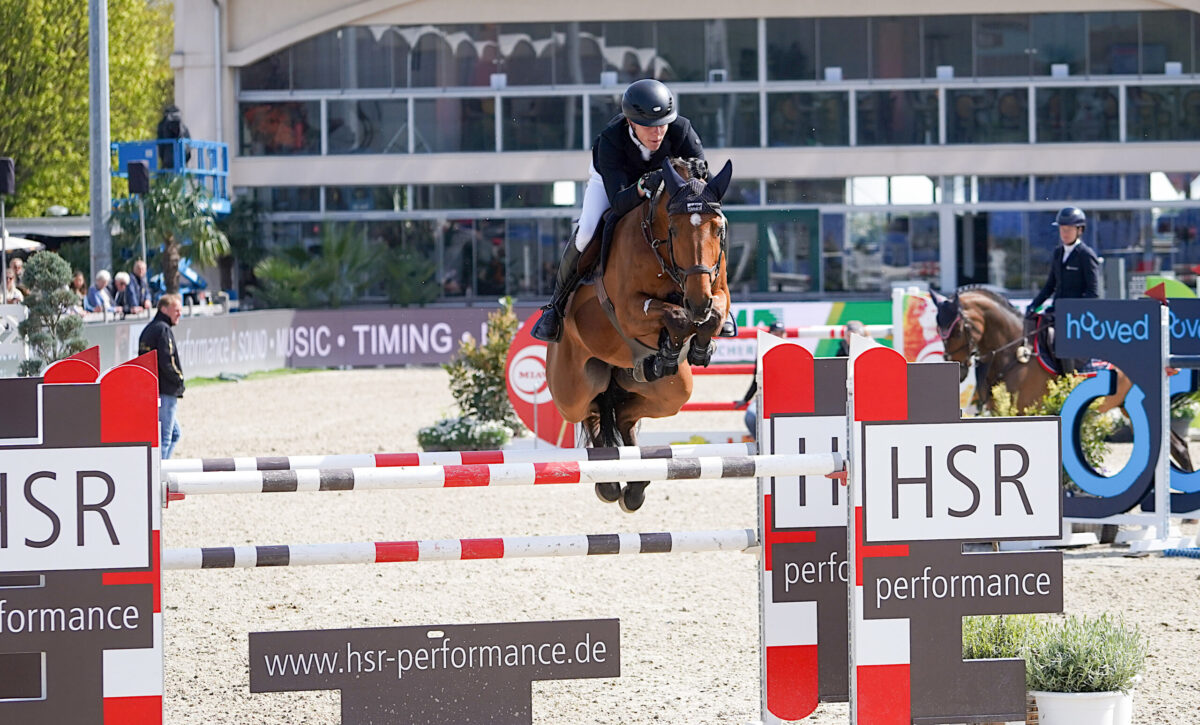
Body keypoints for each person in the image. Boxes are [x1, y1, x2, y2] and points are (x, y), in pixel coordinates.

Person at [531, 78, 735, 342]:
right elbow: (617, 203)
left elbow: (700, 186)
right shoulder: (610, 140)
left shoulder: (682, 130)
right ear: (630, 122)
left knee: (714, 221)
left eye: (662, 125)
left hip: (667, 187)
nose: (658, 133)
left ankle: (723, 301)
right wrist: (641, 186)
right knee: (586, 232)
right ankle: (555, 306)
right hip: (620, 184)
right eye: (649, 127)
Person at [1026, 207, 1100, 316]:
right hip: (1057, 311)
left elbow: (1093, 292)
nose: (1065, 233)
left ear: (1079, 230)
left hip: (1076, 316)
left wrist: (1075, 310)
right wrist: (1034, 305)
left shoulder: (1086, 255)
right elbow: (1050, 286)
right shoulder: (1058, 253)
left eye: (1069, 229)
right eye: (1062, 229)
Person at [139, 294, 185, 459]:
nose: (180, 313)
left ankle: (162, 468)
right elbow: (168, 360)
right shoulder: (163, 330)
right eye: (177, 310)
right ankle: (160, 473)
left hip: (153, 390)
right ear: (164, 309)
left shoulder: (149, 329)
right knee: (165, 437)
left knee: (174, 433)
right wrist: (179, 379)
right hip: (165, 390)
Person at [738, 322, 788, 436]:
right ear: (770, 334)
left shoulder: (792, 351)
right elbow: (757, 378)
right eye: (776, 333)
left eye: (781, 333)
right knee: (750, 417)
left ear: (785, 335)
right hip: (766, 396)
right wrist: (746, 399)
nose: (778, 336)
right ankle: (761, 445)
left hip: (786, 398)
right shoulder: (762, 351)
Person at [157, 104, 192, 170]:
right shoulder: (183, 128)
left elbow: (160, 147)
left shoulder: (163, 126)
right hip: (174, 162)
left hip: (173, 162)